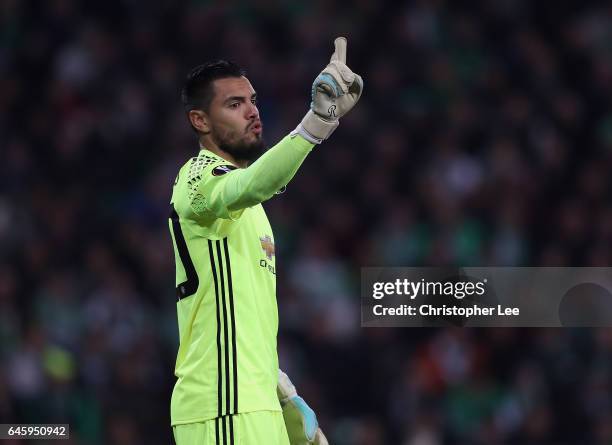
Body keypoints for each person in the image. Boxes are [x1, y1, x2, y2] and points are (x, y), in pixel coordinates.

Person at [168, 37, 363, 445]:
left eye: (252, 100)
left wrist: (284, 394)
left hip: (257, 405)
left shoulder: (253, 209)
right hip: (222, 404)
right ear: (200, 121)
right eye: (234, 104)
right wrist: (317, 121)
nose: (253, 111)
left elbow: (242, 316)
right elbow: (255, 183)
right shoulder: (197, 178)